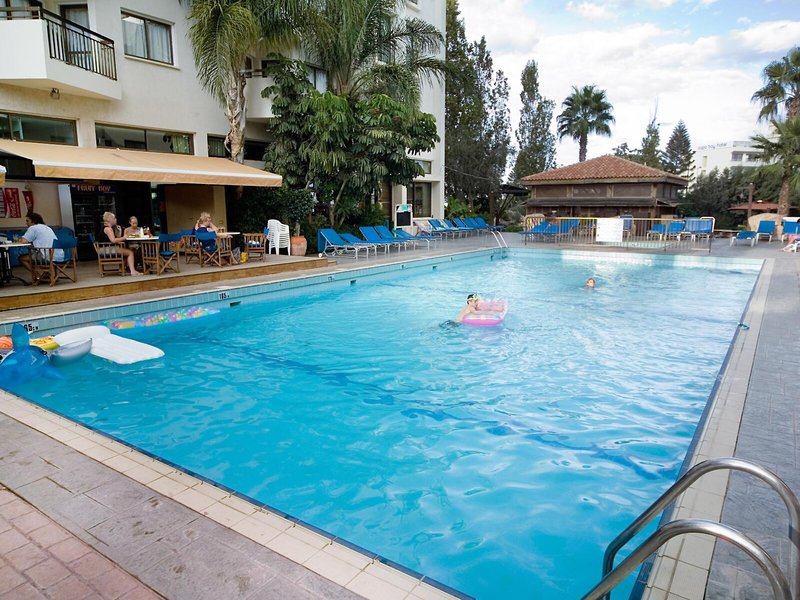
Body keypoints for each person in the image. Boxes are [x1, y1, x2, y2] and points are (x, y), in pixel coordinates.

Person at [18, 212, 64, 280]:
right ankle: (47, 274)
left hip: (47, 256)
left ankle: (37, 275)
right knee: (38, 254)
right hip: (59, 255)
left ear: (33, 221)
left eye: (27, 221)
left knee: (22, 258)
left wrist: (20, 239)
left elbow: (23, 241)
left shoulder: (32, 228)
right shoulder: (47, 227)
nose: (26, 223)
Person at [98, 211, 141, 276]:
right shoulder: (108, 229)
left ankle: (122, 269)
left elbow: (113, 239)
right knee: (130, 252)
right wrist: (124, 237)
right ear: (110, 220)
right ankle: (133, 271)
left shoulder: (107, 228)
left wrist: (119, 232)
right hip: (107, 249)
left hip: (105, 248)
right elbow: (113, 240)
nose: (116, 219)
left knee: (126, 250)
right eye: (114, 218)